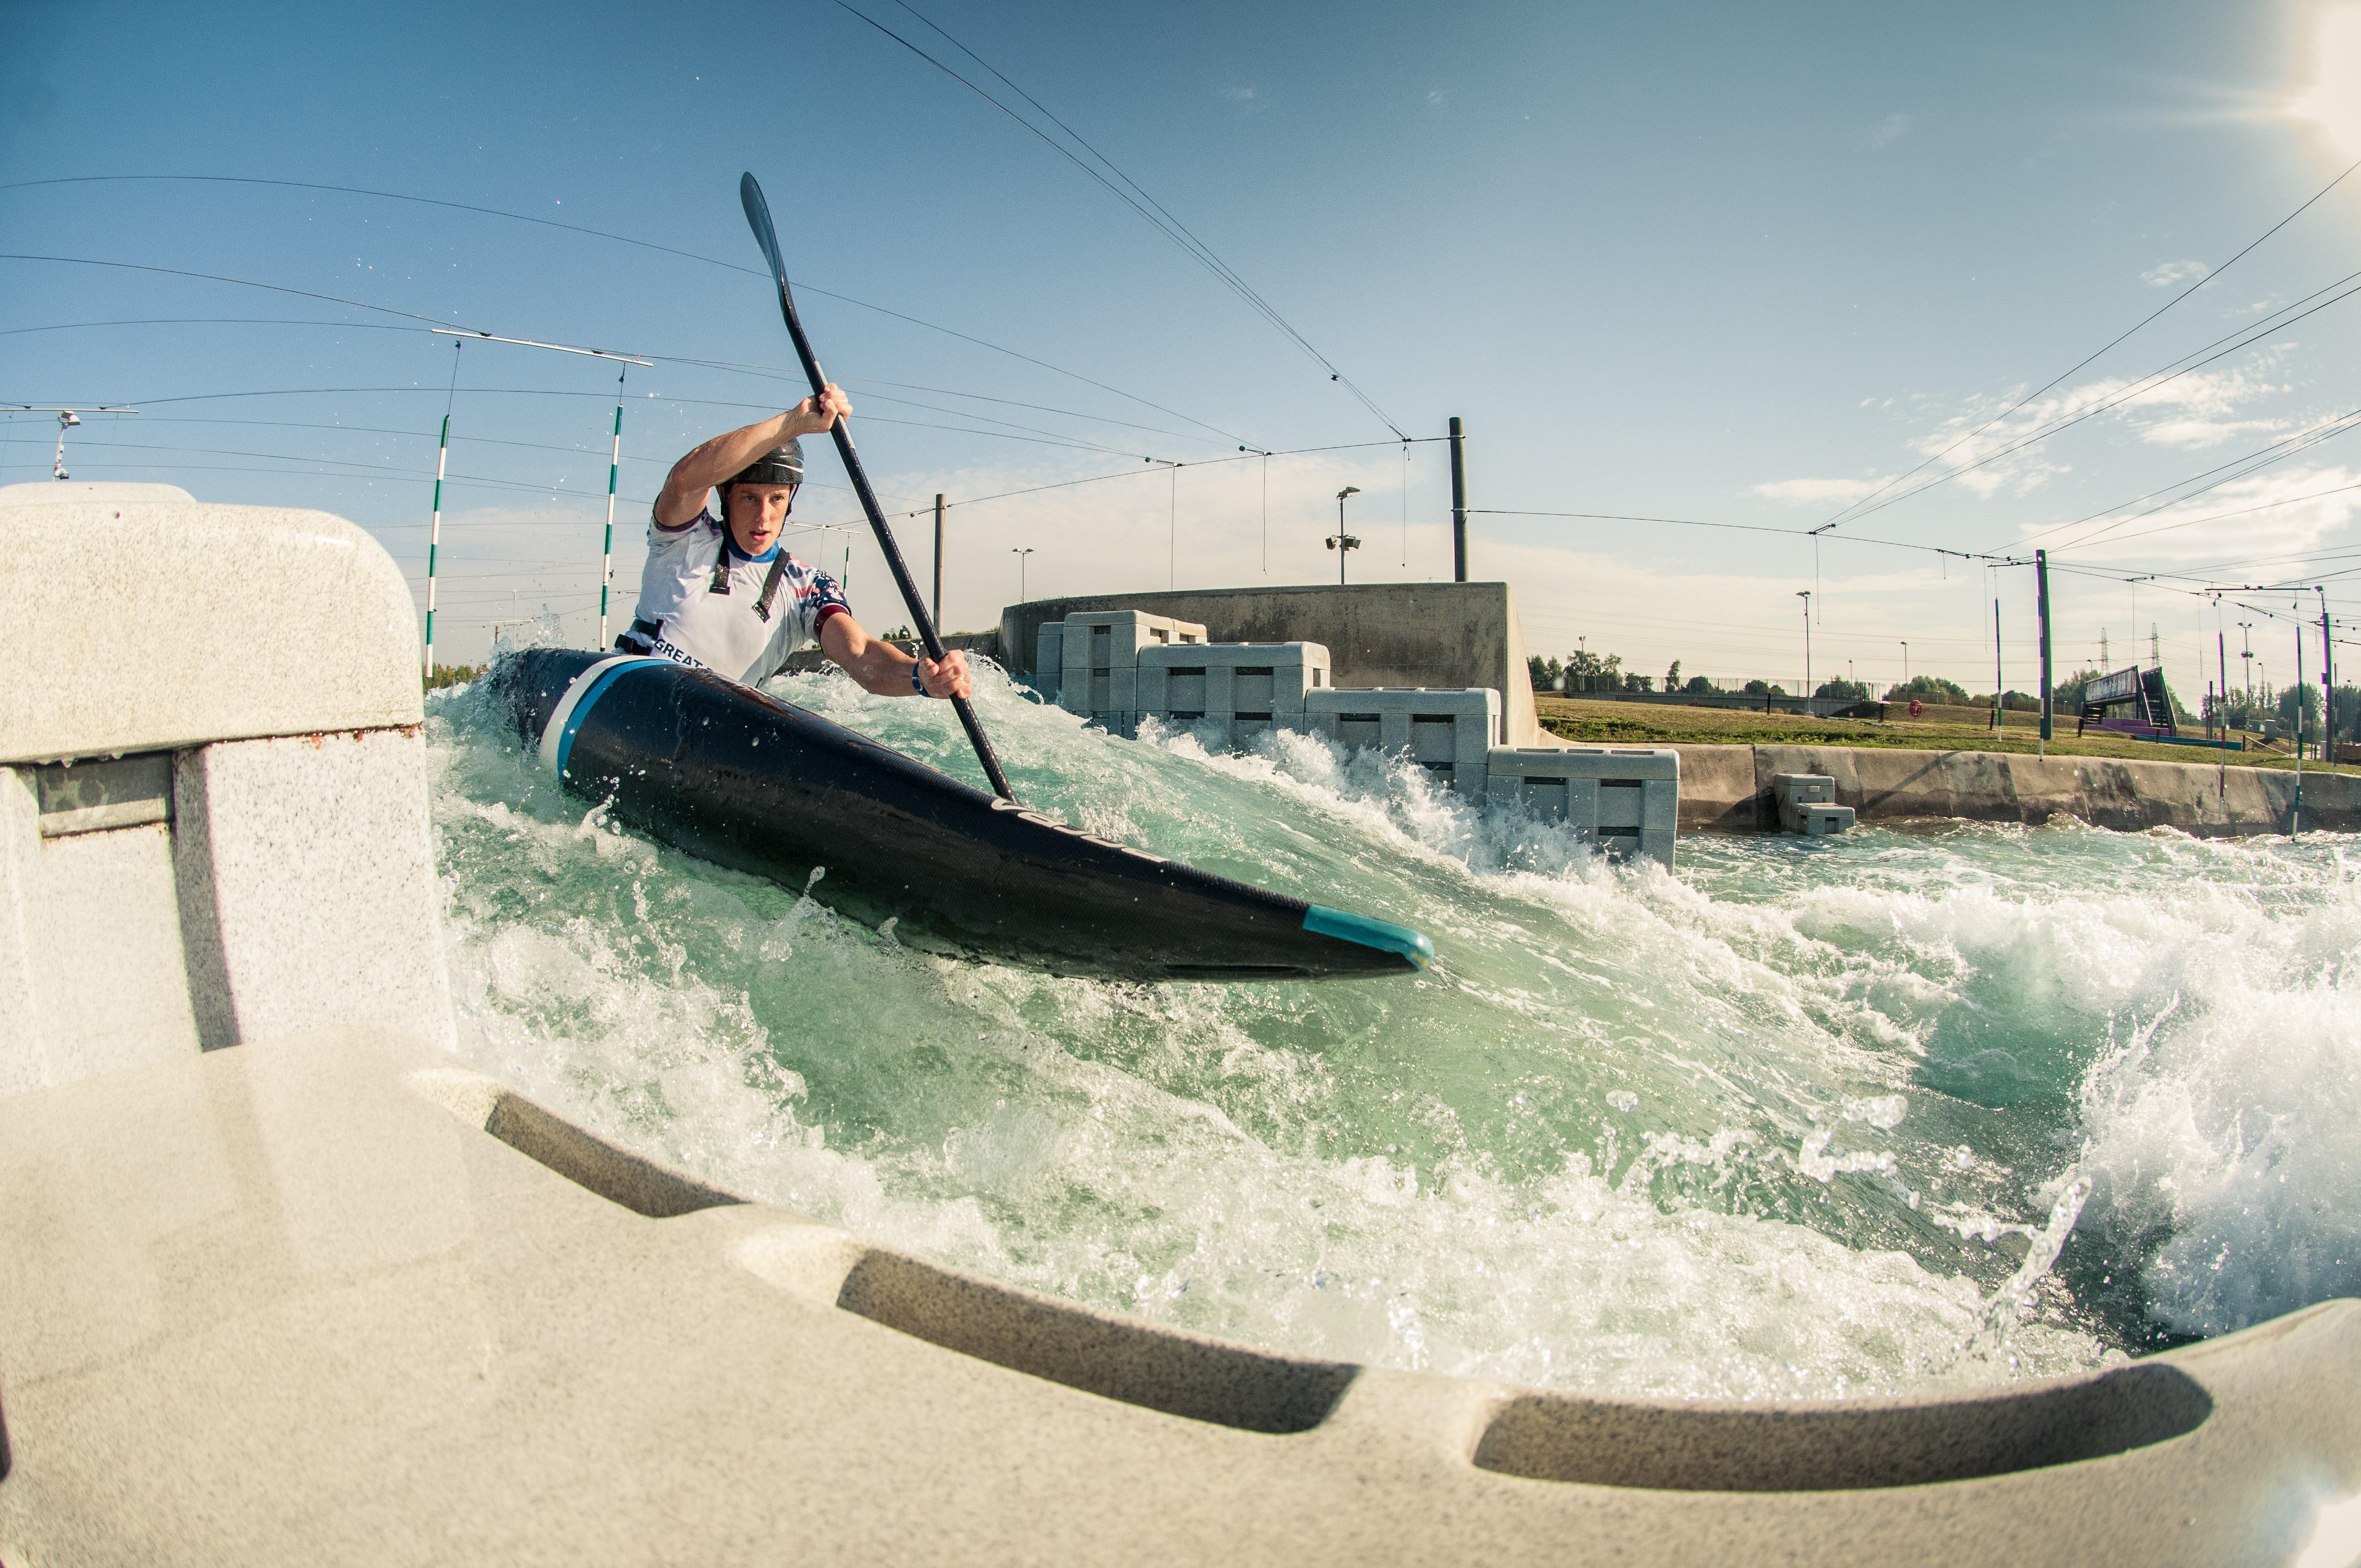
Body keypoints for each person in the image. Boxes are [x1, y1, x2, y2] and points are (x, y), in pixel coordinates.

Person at [617, 385, 971, 700]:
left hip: (709, 730)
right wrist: (794, 423)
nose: (763, 517)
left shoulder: (805, 586)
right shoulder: (684, 539)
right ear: (725, 495)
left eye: (776, 499)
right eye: (749, 498)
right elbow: (686, 479)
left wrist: (920, 678)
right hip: (634, 694)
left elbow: (860, 653)